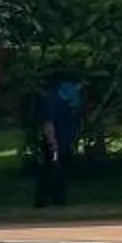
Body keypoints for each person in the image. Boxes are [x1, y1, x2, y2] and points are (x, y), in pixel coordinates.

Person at [36, 74, 85, 208]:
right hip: (55, 141)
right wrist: (52, 141)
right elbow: (49, 123)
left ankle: (59, 198)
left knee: (62, 170)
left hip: (64, 141)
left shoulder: (69, 100)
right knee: (51, 169)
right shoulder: (54, 100)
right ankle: (45, 199)